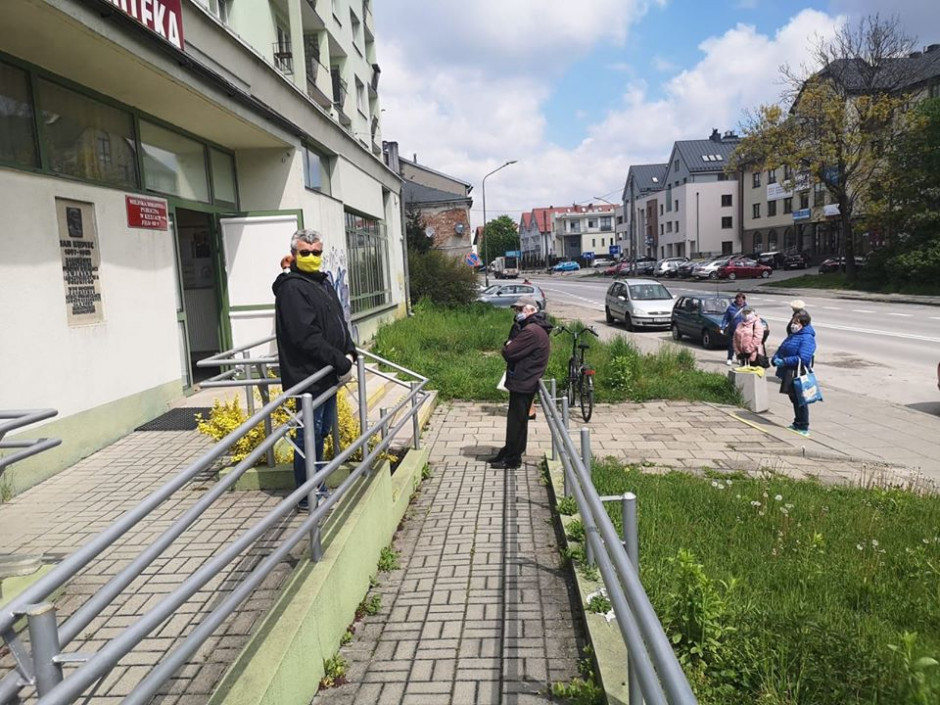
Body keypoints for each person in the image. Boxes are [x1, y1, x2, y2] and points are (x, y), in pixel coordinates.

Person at [273, 229, 357, 510]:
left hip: (326, 373)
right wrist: (340, 359)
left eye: (316, 252)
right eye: (305, 253)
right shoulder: (293, 289)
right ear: (294, 255)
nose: (312, 257)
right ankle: (307, 494)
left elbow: (337, 321)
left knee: (320, 433)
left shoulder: (321, 282)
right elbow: (304, 335)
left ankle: (317, 485)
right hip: (308, 375)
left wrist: (350, 349)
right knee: (309, 433)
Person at [488, 296, 552, 469]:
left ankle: (512, 458)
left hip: (524, 380)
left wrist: (509, 345)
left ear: (531, 309)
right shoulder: (533, 328)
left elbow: (509, 352)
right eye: (515, 309)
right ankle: (511, 451)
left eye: (519, 309)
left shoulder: (531, 331)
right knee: (518, 420)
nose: (516, 313)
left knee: (516, 421)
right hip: (525, 379)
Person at [771, 309, 817, 437]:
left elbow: (804, 358)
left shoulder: (807, 338)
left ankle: (803, 425)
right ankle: (797, 422)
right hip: (789, 371)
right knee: (794, 398)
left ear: (803, 323)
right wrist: (776, 358)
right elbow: (782, 348)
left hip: (798, 372)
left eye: (796, 322)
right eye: (793, 321)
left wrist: (784, 361)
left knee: (800, 400)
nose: (793, 324)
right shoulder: (793, 335)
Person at [719, 292, 747, 365]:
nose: (740, 301)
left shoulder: (747, 308)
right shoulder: (731, 308)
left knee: (741, 346)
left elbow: (751, 319)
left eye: (741, 300)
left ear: (744, 300)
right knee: (731, 345)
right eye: (738, 300)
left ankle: (739, 358)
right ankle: (729, 358)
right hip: (733, 330)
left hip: (743, 331)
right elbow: (725, 318)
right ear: (736, 300)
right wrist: (722, 327)